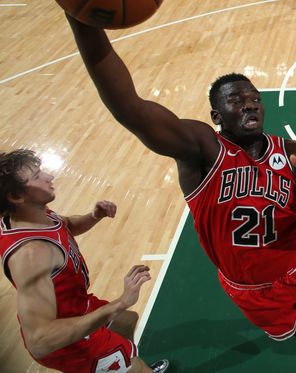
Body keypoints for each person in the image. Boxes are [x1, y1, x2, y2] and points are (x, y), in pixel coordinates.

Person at [34, 0, 296, 346]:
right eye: (236, 100)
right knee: (283, 332)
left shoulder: (295, 154)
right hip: (246, 288)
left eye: (254, 99)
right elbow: (129, 108)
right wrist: (79, 14)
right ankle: (293, 322)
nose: (250, 104)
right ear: (216, 116)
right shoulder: (202, 151)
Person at [0, 149, 169, 373]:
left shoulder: (33, 213)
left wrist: (94, 216)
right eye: (37, 176)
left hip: (78, 307)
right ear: (16, 197)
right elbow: (40, 340)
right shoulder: (31, 254)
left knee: (125, 322)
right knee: (134, 360)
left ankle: (122, 360)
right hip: (65, 342)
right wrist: (121, 301)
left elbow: (66, 225)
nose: (49, 176)